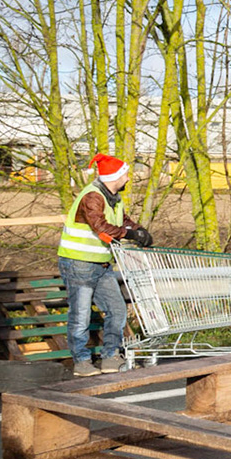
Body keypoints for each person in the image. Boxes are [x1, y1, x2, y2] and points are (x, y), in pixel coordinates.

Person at [57, 153, 152, 376]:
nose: (128, 178)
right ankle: (81, 361)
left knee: (117, 310)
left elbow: (122, 221)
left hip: (102, 264)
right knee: (80, 315)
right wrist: (131, 234)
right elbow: (99, 226)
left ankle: (110, 356)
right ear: (115, 176)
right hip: (78, 263)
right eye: (126, 174)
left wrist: (139, 230)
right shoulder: (92, 197)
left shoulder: (113, 198)